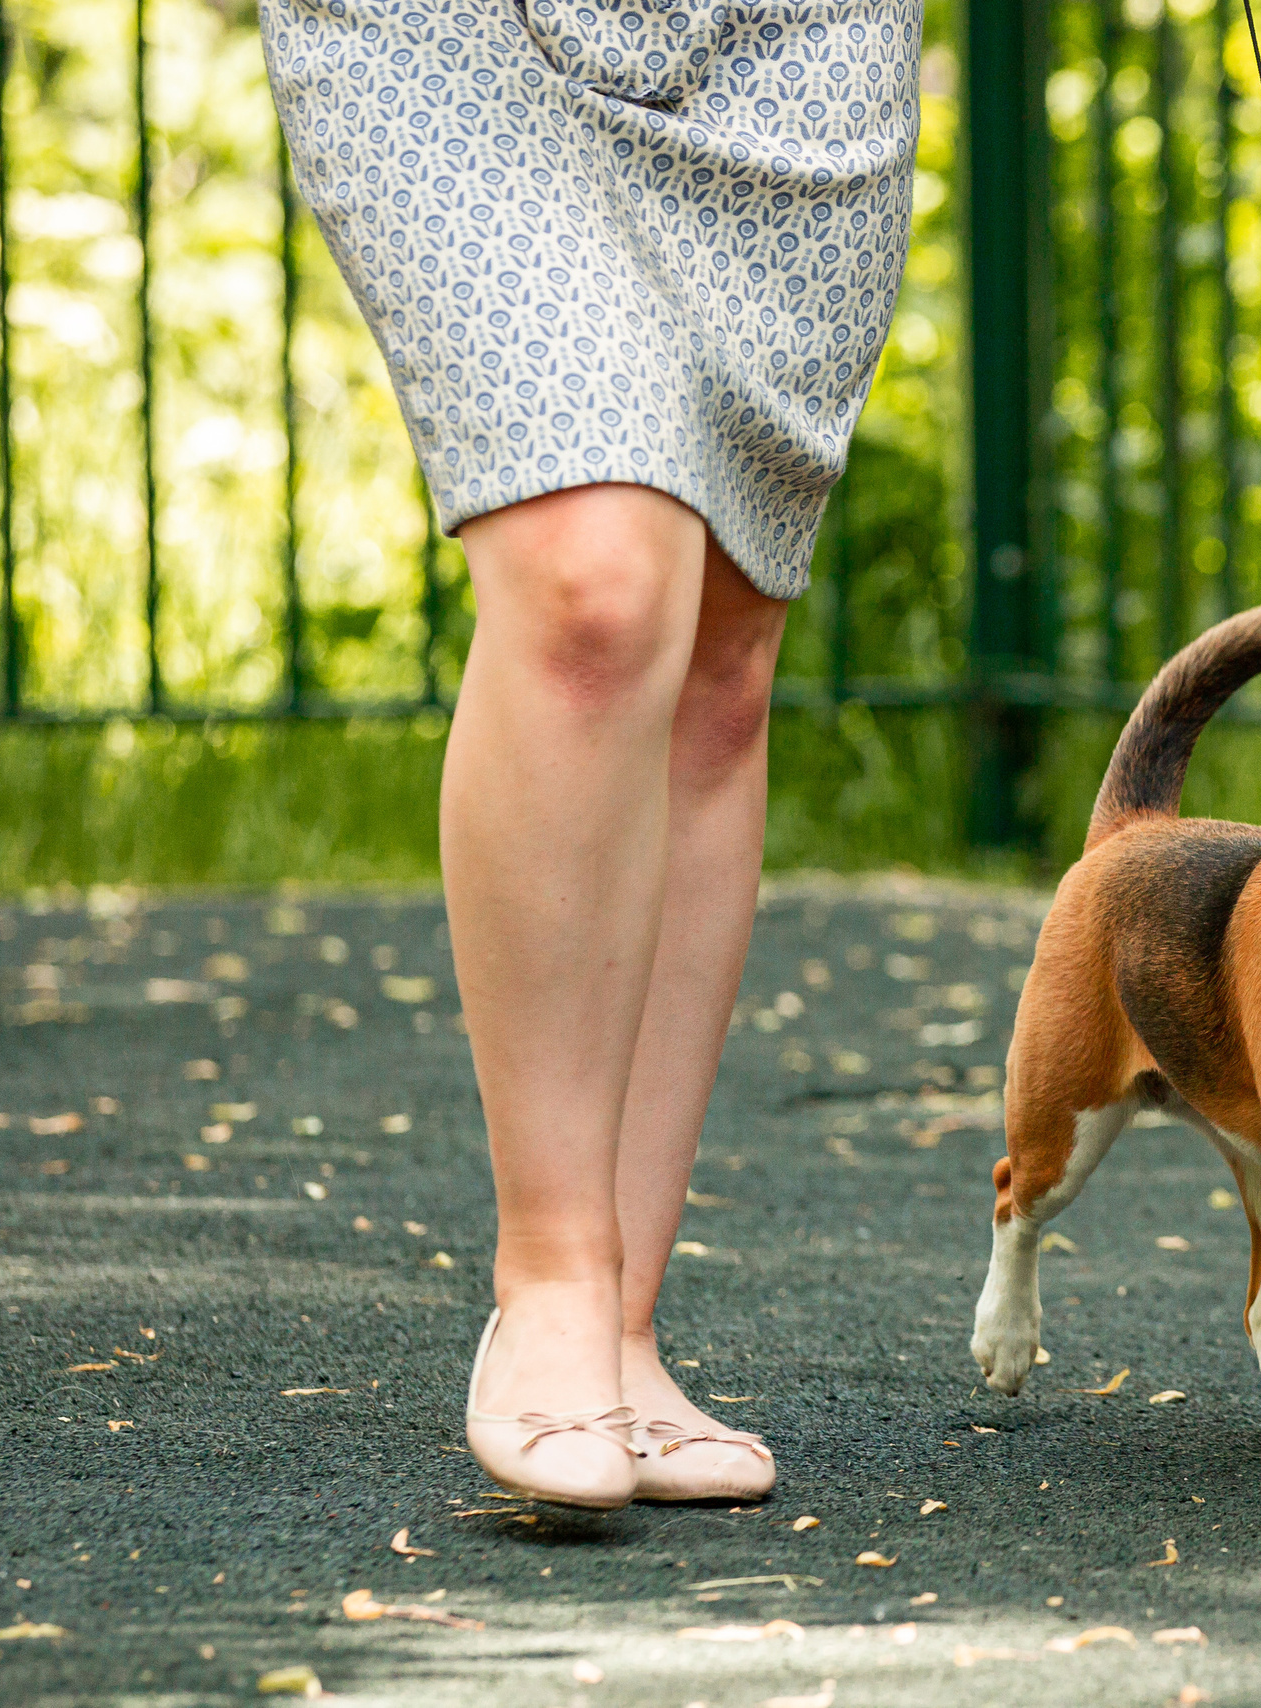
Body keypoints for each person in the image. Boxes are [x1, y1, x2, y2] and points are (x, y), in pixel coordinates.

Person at [262, 0, 923, 1508]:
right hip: (454, 35)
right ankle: (551, 1279)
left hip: (794, 45)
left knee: (720, 650)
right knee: (599, 582)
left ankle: (620, 1325)